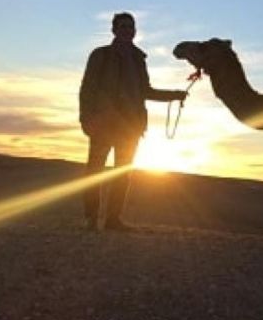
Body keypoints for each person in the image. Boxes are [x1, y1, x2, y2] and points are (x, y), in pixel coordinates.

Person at [79, 12, 187, 231]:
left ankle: (113, 220)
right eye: (123, 26)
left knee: (123, 173)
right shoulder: (101, 55)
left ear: (135, 31)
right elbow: (87, 88)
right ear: (114, 30)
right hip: (104, 123)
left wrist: (174, 95)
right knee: (94, 171)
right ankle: (91, 218)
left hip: (130, 126)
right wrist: (86, 118)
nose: (127, 30)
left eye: (131, 27)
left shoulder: (139, 59)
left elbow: (145, 91)